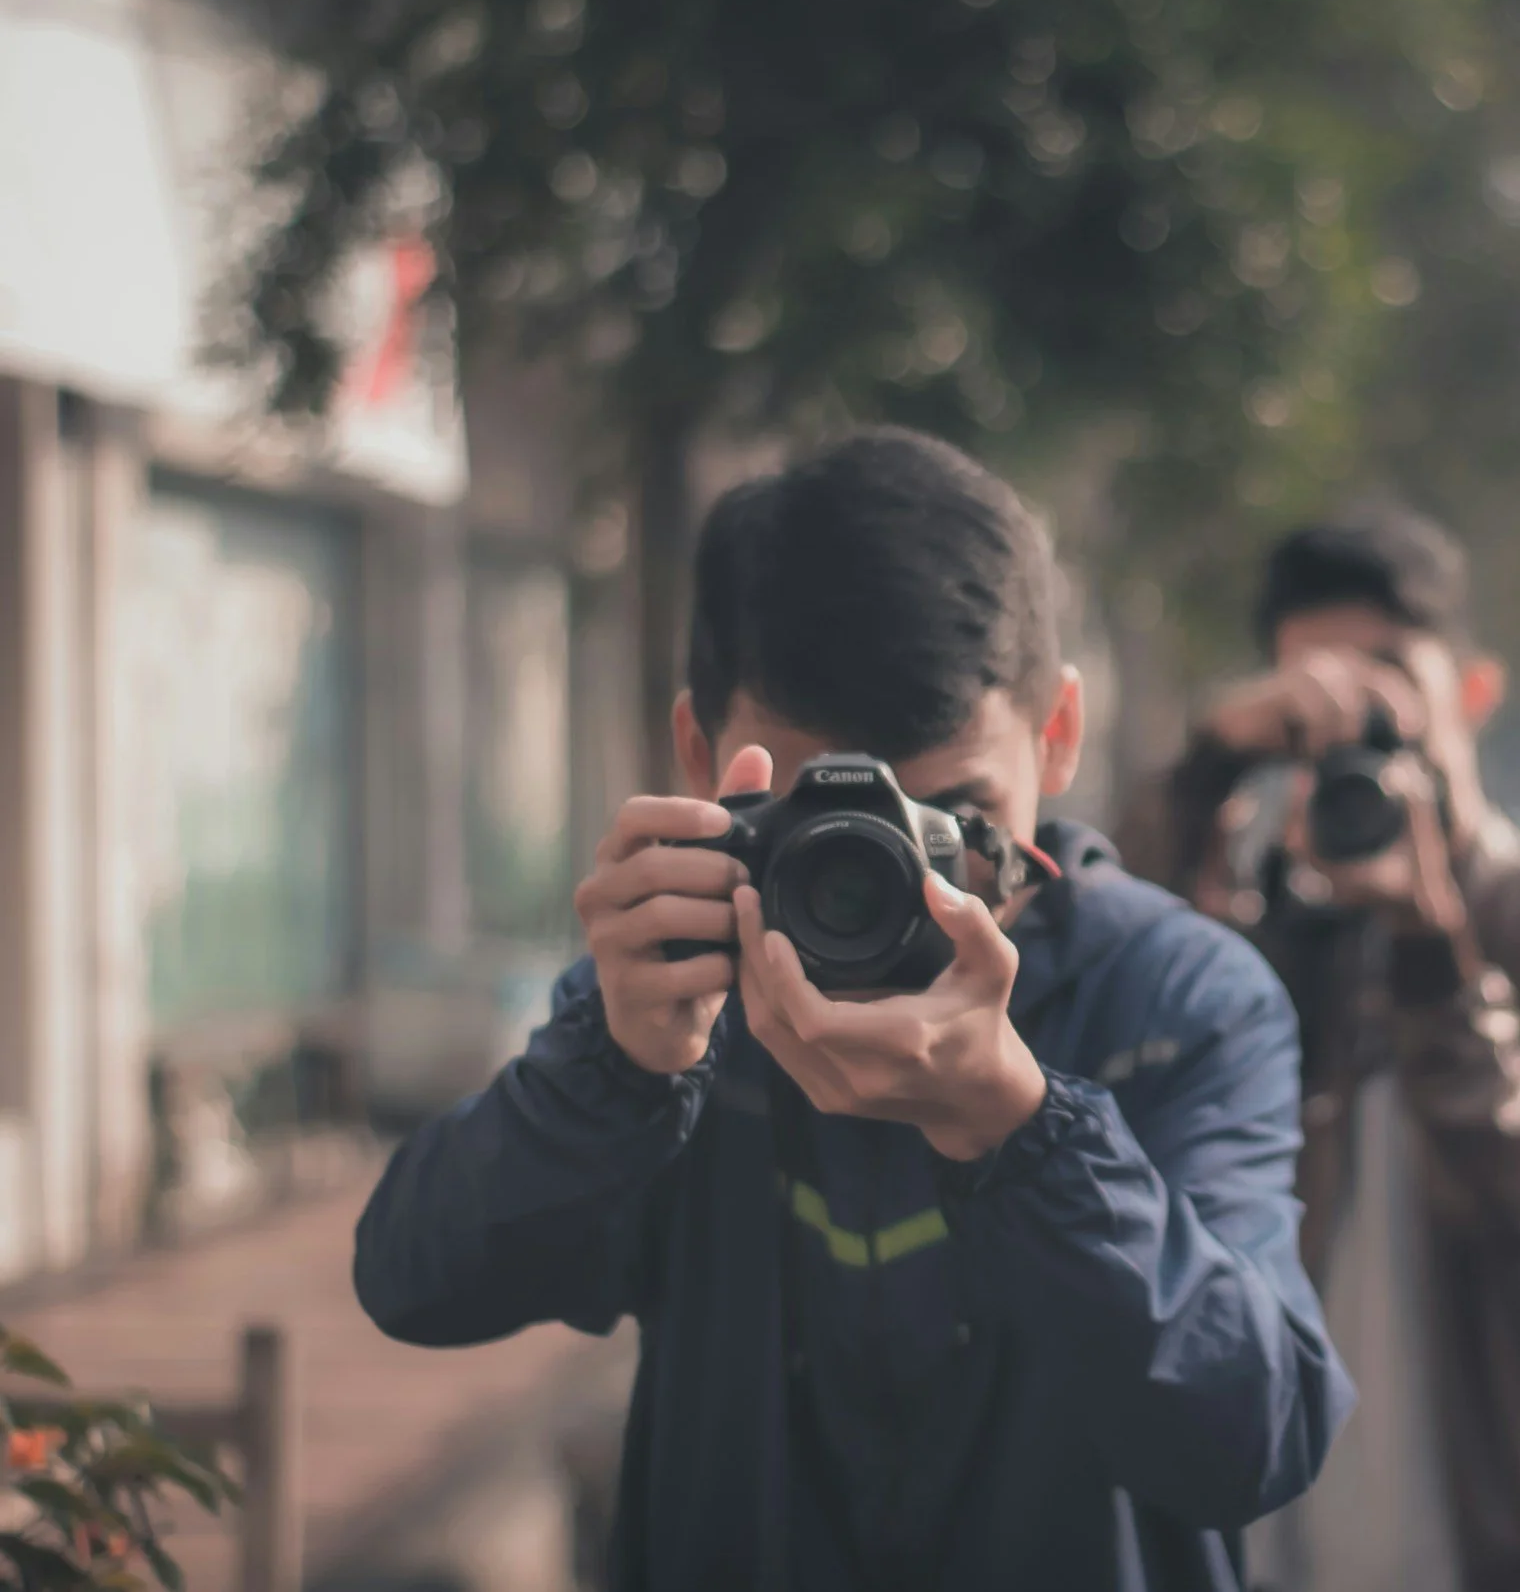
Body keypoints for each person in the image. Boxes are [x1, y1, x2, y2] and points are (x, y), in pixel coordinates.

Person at [355, 430, 1353, 1592]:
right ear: (700, 755)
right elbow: (416, 1283)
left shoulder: (1175, 998)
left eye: (954, 819)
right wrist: (613, 1070)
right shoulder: (677, 992)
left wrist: (1020, 1128)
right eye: (824, 826)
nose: (896, 881)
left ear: (1057, 736)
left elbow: (1256, 1438)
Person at [1120, 507, 1520, 1592]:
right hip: (1277, 1532)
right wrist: (1209, 764)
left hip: (1498, 1525)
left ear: (1473, 688)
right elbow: (1116, 982)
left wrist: (1431, 944)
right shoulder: (1275, 932)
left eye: (1387, 676)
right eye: (1313, 691)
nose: (1357, 717)